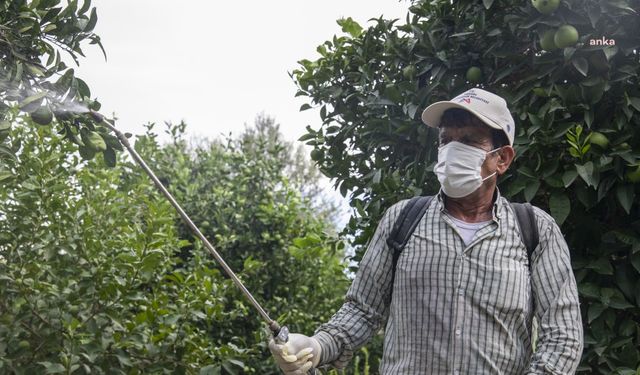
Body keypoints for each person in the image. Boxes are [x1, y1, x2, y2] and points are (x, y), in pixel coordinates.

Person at [269, 88, 584, 374]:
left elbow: (563, 337)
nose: (451, 151)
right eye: (446, 140)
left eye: (469, 141)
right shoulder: (402, 219)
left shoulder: (535, 230)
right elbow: (363, 311)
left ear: (502, 159)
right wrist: (317, 346)